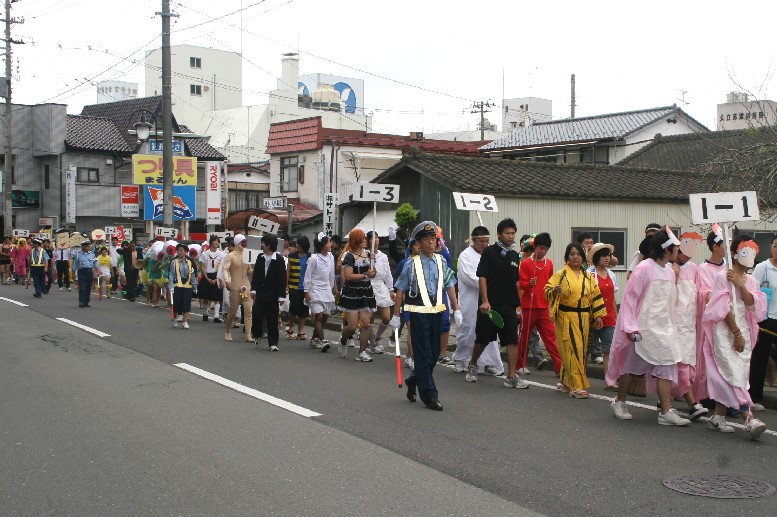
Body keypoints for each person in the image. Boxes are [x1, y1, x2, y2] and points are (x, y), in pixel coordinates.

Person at [606, 227, 690, 426]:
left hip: (664, 328)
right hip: (643, 328)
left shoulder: (670, 272)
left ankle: (666, 411)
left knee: (667, 364)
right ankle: (619, 401)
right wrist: (630, 326)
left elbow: (670, 301)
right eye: (675, 248)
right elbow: (630, 299)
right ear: (665, 249)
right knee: (631, 367)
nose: (678, 251)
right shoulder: (644, 268)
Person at [699, 234, 767, 439]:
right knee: (730, 370)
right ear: (736, 252)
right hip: (726, 330)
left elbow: (752, 304)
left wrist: (741, 284)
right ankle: (749, 417)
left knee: (736, 372)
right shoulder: (722, 276)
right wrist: (735, 332)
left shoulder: (751, 280)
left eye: (753, 252)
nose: (750, 257)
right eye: (746, 251)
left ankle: (718, 416)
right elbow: (722, 307)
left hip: (745, 329)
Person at [391, 221, 462, 411]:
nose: (431, 242)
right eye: (426, 239)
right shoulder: (410, 264)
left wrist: (456, 309)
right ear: (418, 243)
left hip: (437, 311)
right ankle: (430, 395)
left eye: (433, 238)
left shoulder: (442, 261)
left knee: (434, 353)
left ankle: (414, 380)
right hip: (417, 313)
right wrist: (396, 315)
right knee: (422, 354)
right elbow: (400, 290)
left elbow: (450, 285)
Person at [466, 218, 525, 387]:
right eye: (507, 233)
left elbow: (516, 282)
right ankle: (473, 364)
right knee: (482, 339)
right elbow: (482, 276)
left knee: (512, 340)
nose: (510, 236)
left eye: (513, 233)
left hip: (509, 305)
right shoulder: (489, 252)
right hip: (491, 306)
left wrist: (519, 306)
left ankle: (511, 377)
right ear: (499, 234)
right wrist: (485, 301)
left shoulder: (515, 255)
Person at [546, 242, 606, 398]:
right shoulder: (561, 274)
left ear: (583, 257)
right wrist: (554, 291)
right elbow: (547, 289)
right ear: (567, 257)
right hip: (566, 317)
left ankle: (567, 381)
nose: (575, 257)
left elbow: (595, 296)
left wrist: (598, 315)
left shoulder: (588, 277)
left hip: (584, 318)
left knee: (579, 349)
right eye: (572, 254)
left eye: (578, 254)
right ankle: (577, 386)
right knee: (573, 349)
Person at [452, 226, 505, 376]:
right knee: (468, 329)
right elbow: (469, 277)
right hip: (470, 299)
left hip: (487, 299)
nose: (484, 244)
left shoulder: (490, 254)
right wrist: (489, 283)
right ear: (474, 241)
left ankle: (488, 363)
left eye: (487, 241)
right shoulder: (465, 256)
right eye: (482, 241)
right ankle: (462, 360)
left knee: (488, 331)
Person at [669, 232, 708, 420]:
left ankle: (665, 401)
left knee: (688, 364)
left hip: (689, 324)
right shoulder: (667, 268)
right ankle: (692, 403)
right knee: (679, 363)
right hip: (673, 324)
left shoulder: (694, 268)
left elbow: (700, 292)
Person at [517, 232, 563, 375]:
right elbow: (521, 285)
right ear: (535, 247)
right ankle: (520, 365)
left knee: (551, 338)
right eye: (540, 248)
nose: (543, 251)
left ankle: (560, 367)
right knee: (524, 337)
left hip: (544, 307)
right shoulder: (525, 263)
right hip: (528, 306)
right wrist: (529, 283)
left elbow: (550, 283)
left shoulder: (549, 263)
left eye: (546, 249)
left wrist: (555, 290)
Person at [693, 226, 728, 405]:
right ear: (716, 247)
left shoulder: (729, 268)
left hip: (728, 321)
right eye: (725, 243)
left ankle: (726, 397)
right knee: (708, 356)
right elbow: (704, 294)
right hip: (710, 322)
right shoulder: (703, 268)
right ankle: (706, 394)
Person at [337, 228, 378, 361]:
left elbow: (373, 274)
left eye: (366, 239)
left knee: (366, 323)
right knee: (352, 326)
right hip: (352, 292)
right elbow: (348, 276)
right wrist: (365, 274)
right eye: (363, 239)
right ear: (356, 240)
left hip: (366, 291)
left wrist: (373, 265)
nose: (365, 241)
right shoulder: (348, 256)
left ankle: (361, 352)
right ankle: (343, 340)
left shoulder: (368, 254)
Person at [750, 234, 777, 412]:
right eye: (776, 245)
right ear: (771, 247)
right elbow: (752, 290)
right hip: (767, 319)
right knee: (760, 357)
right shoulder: (762, 268)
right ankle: (755, 396)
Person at [588, 242, 619, 389]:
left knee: (609, 350)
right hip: (592, 318)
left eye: (608, 255)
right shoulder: (589, 274)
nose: (607, 258)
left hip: (609, 317)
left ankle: (609, 380)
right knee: (585, 350)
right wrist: (594, 315)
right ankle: (578, 377)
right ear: (596, 258)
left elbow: (613, 297)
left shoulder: (612, 275)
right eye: (603, 256)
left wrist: (616, 316)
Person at [250, 234, 287, 351]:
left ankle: (273, 343)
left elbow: (282, 278)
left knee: (272, 319)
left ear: (269, 245)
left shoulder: (279, 259)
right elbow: (255, 275)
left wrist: (282, 296)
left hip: (273, 294)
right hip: (260, 292)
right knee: (257, 316)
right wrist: (253, 289)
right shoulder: (260, 257)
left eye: (263, 243)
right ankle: (257, 334)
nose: (261, 245)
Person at [304, 233, 337, 351]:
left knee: (325, 316)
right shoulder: (313, 259)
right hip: (315, 289)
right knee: (319, 315)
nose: (331, 244)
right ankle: (322, 341)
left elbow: (331, 274)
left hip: (326, 289)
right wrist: (306, 291)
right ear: (322, 245)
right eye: (328, 242)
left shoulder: (331, 257)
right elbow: (307, 276)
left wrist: (334, 287)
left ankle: (315, 338)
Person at [366, 231, 395, 355]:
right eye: (372, 238)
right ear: (368, 241)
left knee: (386, 317)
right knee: (369, 318)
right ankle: (371, 342)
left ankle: (377, 337)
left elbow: (388, 273)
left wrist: (390, 289)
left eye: (376, 237)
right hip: (368, 285)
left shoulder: (383, 256)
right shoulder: (364, 254)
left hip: (381, 286)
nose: (375, 240)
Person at [395, 238, 421, 369]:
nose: (419, 247)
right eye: (417, 245)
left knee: (420, 332)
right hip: (409, 301)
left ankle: (410, 355)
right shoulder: (404, 263)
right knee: (412, 329)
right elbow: (399, 284)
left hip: (423, 303)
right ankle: (413, 357)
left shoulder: (427, 262)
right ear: (411, 247)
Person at [223, 234, 254, 342]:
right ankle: (227, 331)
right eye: (243, 242)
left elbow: (249, 271)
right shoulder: (230, 255)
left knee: (248, 310)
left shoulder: (247, 255)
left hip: (246, 286)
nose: (245, 244)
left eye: (246, 242)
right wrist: (227, 281)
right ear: (237, 242)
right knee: (233, 311)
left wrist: (256, 268)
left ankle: (248, 335)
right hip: (235, 287)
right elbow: (225, 269)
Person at [286, 236, 311, 340]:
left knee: (304, 310)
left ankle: (300, 331)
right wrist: (286, 286)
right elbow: (288, 271)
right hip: (293, 286)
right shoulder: (291, 256)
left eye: (299, 244)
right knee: (294, 308)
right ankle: (291, 326)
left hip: (306, 287)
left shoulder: (310, 256)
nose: (297, 246)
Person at [169, 243, 197, 329]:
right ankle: (175, 318)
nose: (179, 252)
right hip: (177, 286)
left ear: (185, 252)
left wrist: (195, 286)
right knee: (176, 304)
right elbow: (171, 274)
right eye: (178, 250)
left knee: (186, 304)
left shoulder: (189, 262)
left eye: (181, 250)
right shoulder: (174, 261)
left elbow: (192, 274)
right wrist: (171, 286)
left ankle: (185, 321)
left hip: (187, 286)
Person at [198, 235, 223, 322]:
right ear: (211, 242)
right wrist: (207, 278)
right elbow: (202, 267)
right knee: (205, 296)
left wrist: (217, 278)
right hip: (207, 275)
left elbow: (221, 268)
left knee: (217, 297)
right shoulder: (204, 254)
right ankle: (205, 313)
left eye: (218, 241)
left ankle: (216, 316)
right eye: (215, 241)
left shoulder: (221, 254)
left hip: (217, 275)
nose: (216, 243)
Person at [72, 240, 98, 308]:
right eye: (86, 246)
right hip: (82, 271)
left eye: (88, 246)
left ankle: (86, 302)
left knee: (88, 287)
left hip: (89, 271)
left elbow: (95, 262)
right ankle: (81, 302)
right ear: (83, 247)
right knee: (82, 287)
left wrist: (98, 270)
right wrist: (73, 273)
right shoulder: (78, 254)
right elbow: (75, 264)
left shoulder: (92, 254)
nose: (88, 247)